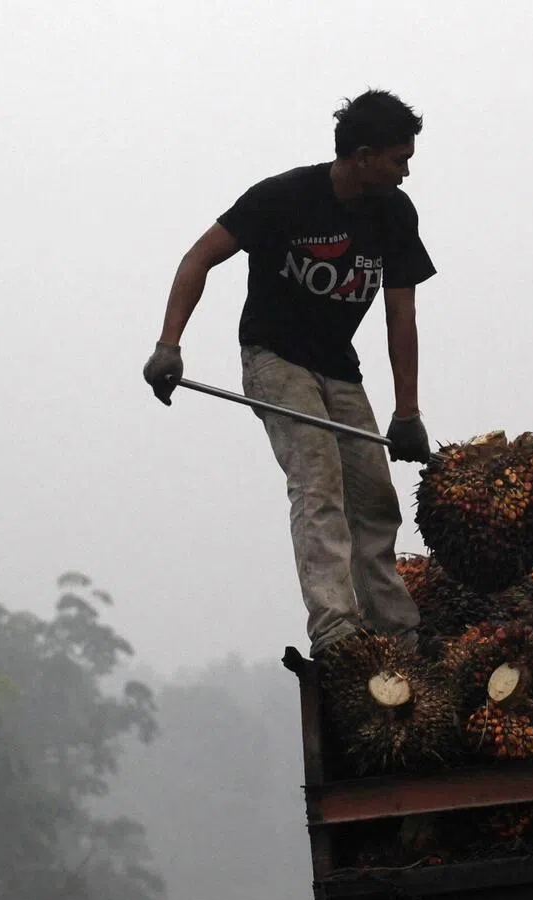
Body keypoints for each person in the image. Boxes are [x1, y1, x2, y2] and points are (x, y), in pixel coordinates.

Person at [143, 89, 436, 659]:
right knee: (318, 480)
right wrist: (168, 345)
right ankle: (337, 630)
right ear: (363, 156)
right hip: (274, 359)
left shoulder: (395, 214)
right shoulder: (283, 198)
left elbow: (401, 314)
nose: (405, 172)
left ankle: (397, 633)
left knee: (375, 497)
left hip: (339, 368)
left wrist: (407, 413)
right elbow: (198, 257)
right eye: (399, 160)